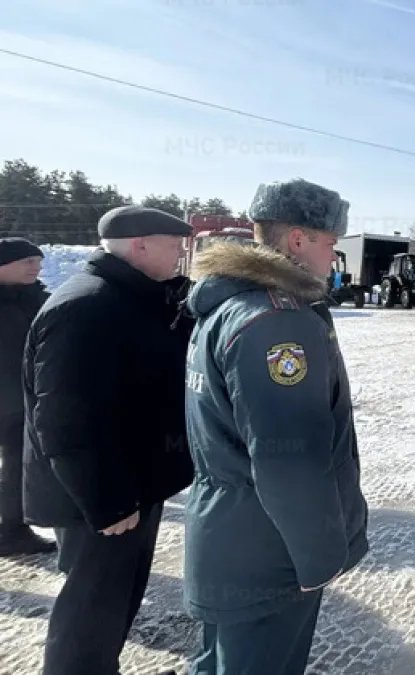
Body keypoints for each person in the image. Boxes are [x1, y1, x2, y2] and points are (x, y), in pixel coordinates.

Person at [182, 178, 369, 675]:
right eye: (330, 242)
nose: (333, 256)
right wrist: (319, 555)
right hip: (270, 550)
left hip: (232, 537)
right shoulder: (277, 322)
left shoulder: (231, 304)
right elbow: (287, 461)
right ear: (298, 240)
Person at [22, 206, 195, 675]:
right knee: (91, 610)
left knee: (117, 600)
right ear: (140, 245)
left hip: (132, 484)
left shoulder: (131, 297)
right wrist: (109, 501)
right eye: (173, 245)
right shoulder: (87, 307)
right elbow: (64, 422)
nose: (181, 254)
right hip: (98, 497)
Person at [0, 238, 56, 557]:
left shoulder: (40, 299)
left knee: (18, 466)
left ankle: (12, 529)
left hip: (26, 398)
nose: (36, 267)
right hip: (6, 398)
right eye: (27, 261)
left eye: (38, 261)